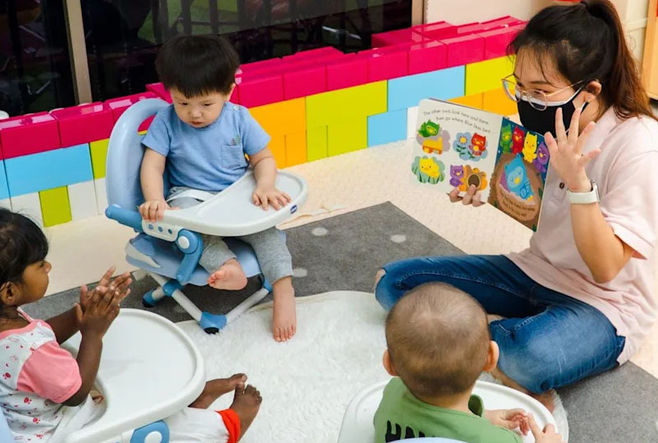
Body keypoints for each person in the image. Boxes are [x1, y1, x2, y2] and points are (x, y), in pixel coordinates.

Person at [375, 0, 658, 409]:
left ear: (590, 90)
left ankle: (505, 344)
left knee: (522, 354)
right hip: (533, 269)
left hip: (606, 305)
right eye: (520, 87)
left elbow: (606, 267)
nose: (526, 101)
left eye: (540, 92)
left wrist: (579, 183)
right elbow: (534, 205)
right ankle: (498, 342)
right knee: (393, 284)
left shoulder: (638, 145)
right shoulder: (545, 123)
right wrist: (484, 188)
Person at [0, 209, 262, 442]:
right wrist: (93, 333)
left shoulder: (7, 322)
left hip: (35, 419)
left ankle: (188, 402)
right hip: (66, 429)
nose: (48, 266)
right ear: (9, 292)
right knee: (145, 419)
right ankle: (225, 427)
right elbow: (76, 392)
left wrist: (82, 313)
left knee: (136, 383)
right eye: (39, 265)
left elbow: (41, 333)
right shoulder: (27, 352)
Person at [139, 35, 297, 342]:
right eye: (183, 102)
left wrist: (265, 184)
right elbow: (152, 165)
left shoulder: (239, 118)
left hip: (236, 193)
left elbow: (263, 157)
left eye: (206, 104)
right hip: (192, 195)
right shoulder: (166, 121)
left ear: (227, 91)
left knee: (267, 233)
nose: (194, 113)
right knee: (187, 225)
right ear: (169, 92)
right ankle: (229, 267)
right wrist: (154, 199)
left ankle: (283, 288)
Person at [374, 283, 564, 443]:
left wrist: (485, 416)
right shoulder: (497, 440)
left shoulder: (391, 393)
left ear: (389, 364)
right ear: (490, 358)